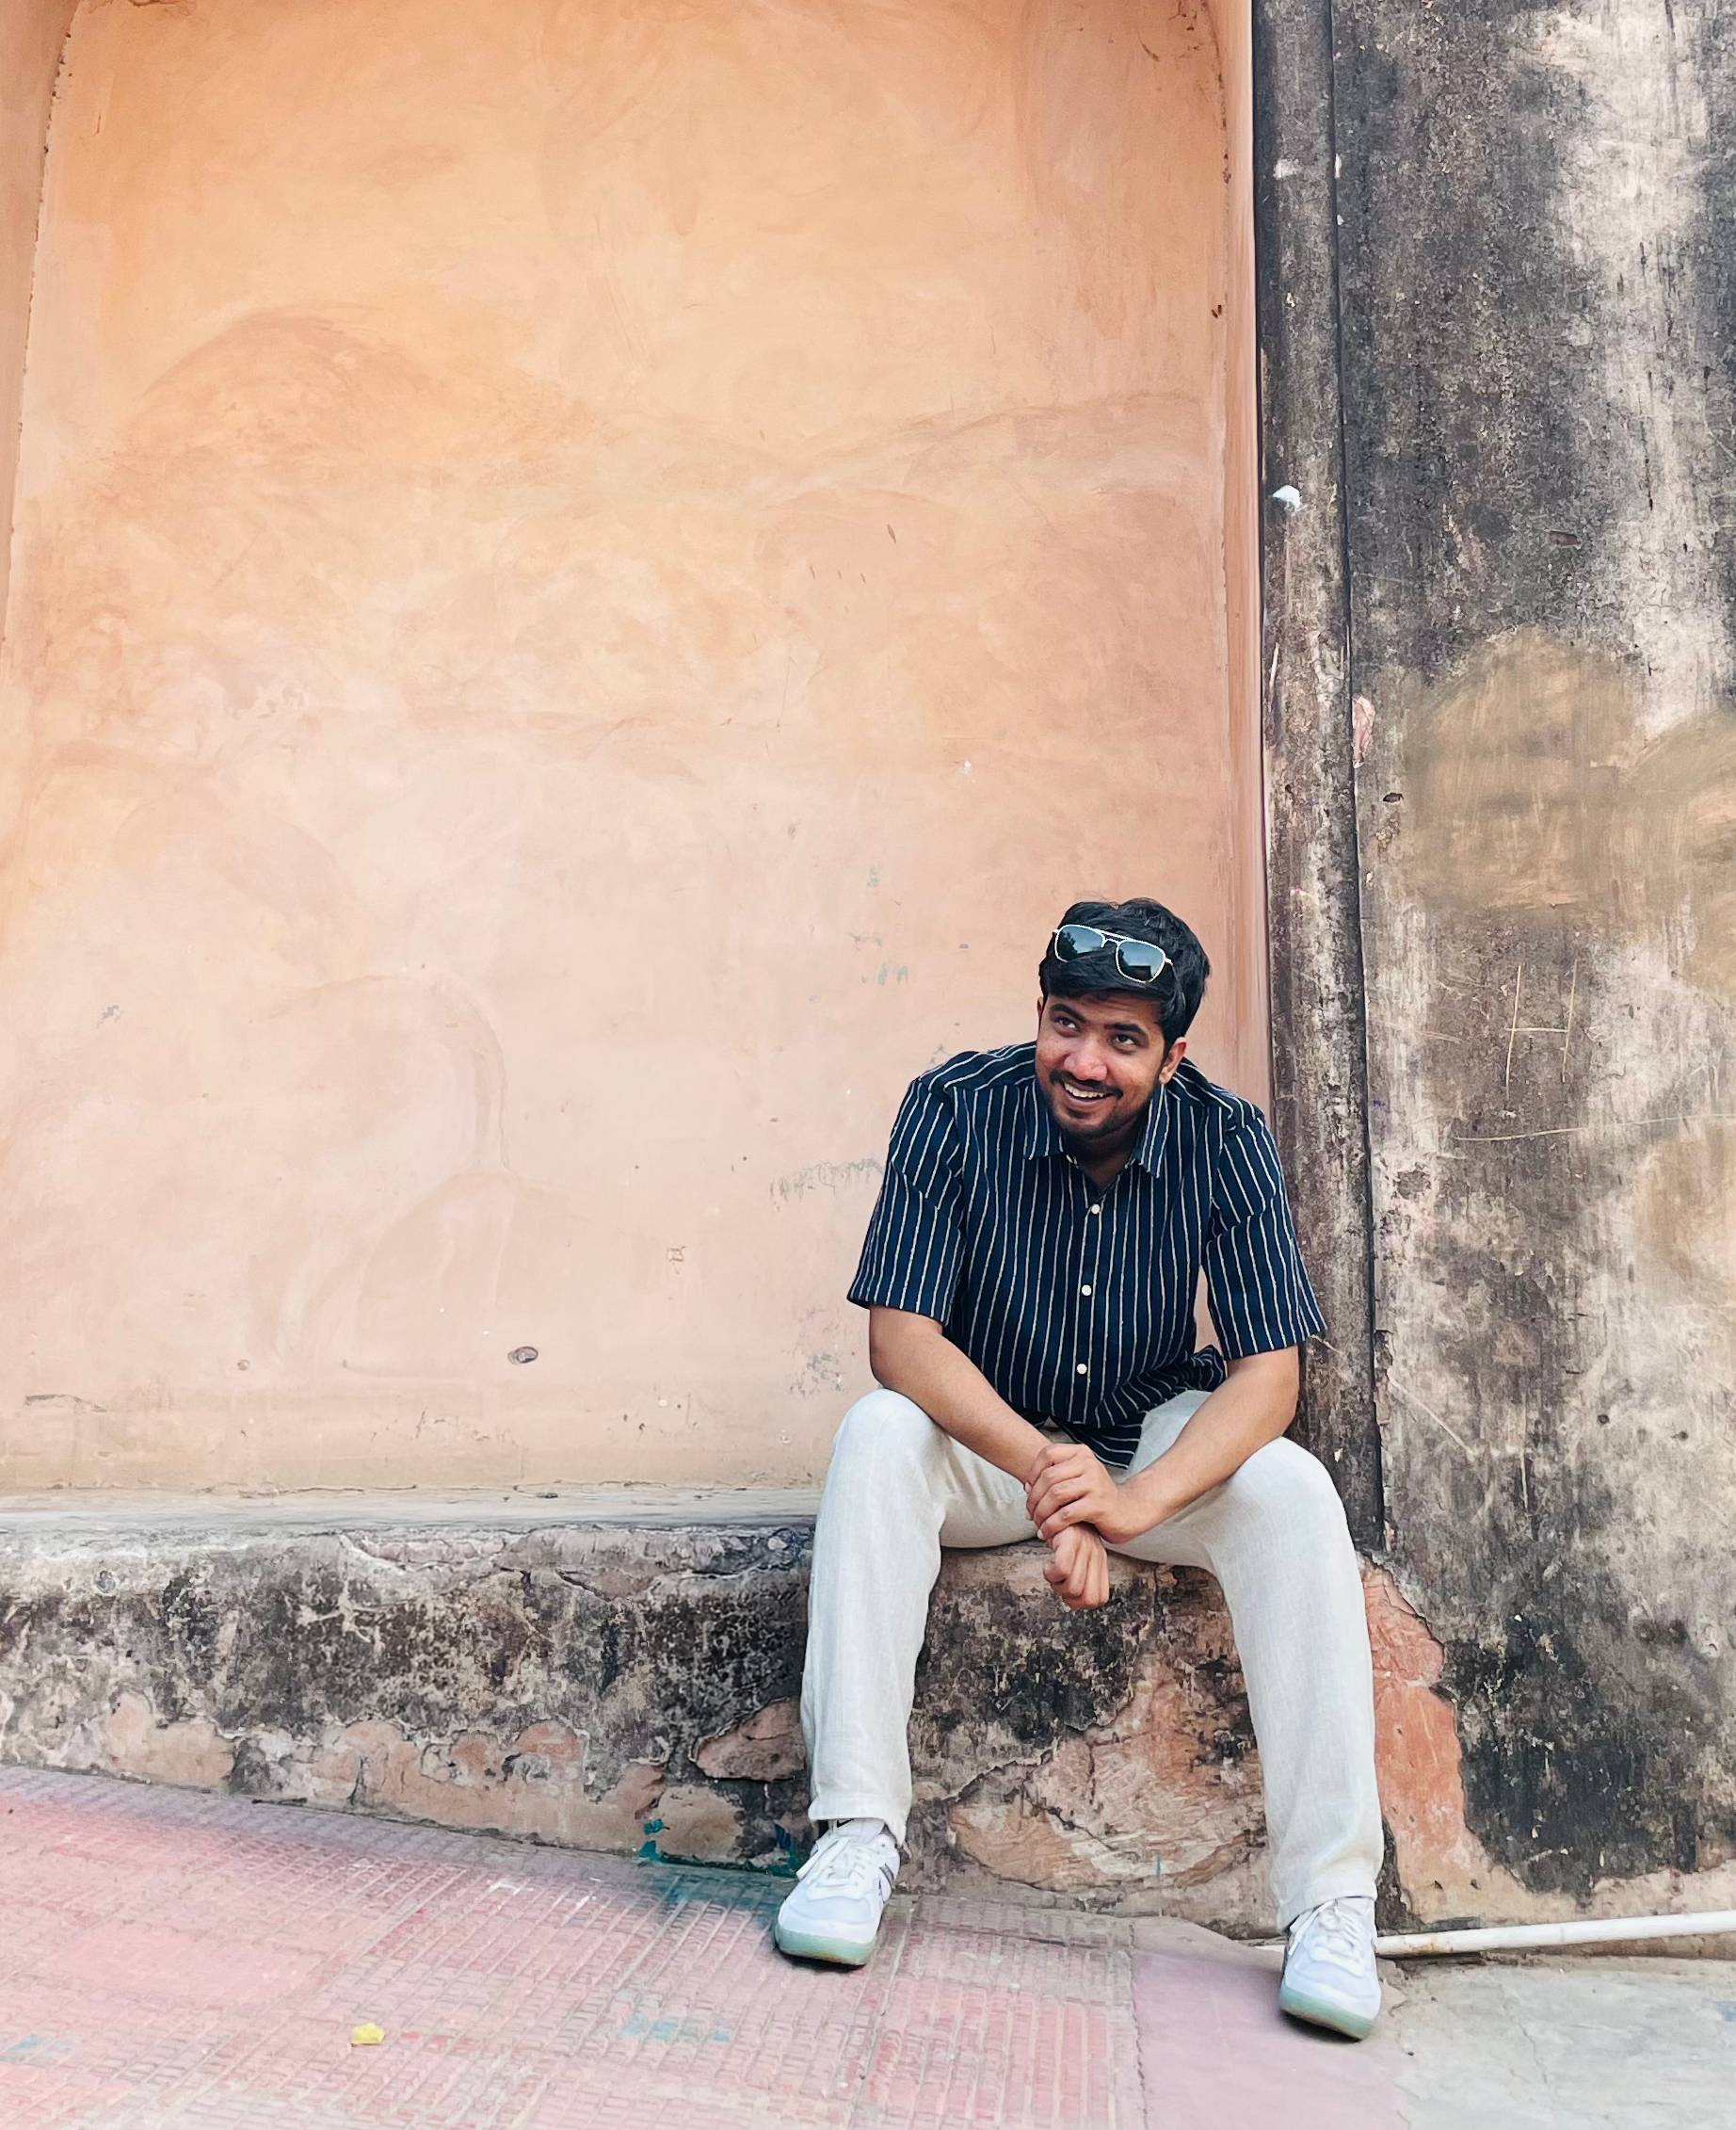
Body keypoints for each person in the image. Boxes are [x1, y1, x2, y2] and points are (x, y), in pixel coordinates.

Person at [772, 898, 1385, 2039]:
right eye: (1066, 1023)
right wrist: (1054, 1482)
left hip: (1144, 1444)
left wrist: (1129, 1503)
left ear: (1171, 1055)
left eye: (1121, 1039)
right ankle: (854, 1835)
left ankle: (1331, 1904)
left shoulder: (1224, 1137)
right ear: (1040, 1013)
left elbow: (1267, 1377)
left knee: (1292, 1490)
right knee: (876, 1434)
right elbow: (900, 1341)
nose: (1083, 1061)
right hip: (988, 1446)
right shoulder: (952, 1107)